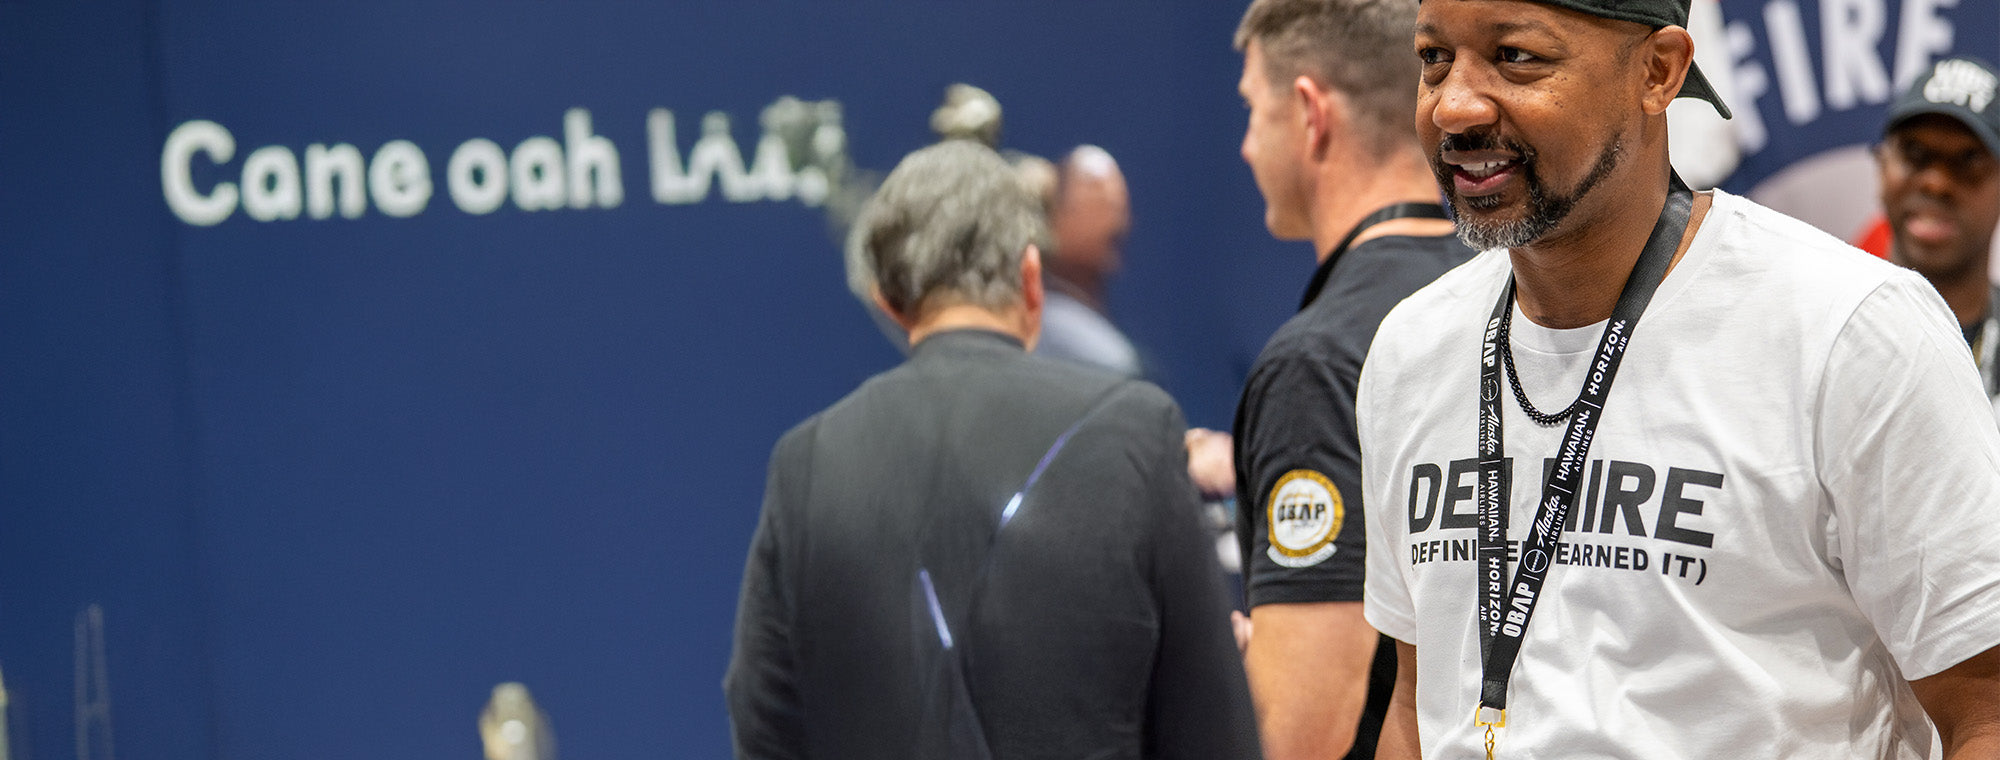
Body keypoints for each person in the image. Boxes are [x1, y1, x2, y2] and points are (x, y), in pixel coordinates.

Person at [1358, 0, 2000, 755]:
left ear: (1658, 72)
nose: (1455, 106)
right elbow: (1414, 699)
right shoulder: (1412, 348)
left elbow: (1983, 711)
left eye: (1516, 57)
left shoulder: (1851, 331)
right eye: (1434, 59)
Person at [723, 140, 1260, 760]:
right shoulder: (1140, 428)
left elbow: (763, 721)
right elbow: (1212, 720)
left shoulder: (806, 462)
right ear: (1032, 279)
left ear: (889, 304)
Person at [1224, 1, 1477, 757]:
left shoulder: (1318, 363)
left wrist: (1229, 682)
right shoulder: (1512, 300)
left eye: (1250, 109)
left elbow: (1302, 729)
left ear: (1308, 112)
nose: (1243, 146)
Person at [1875, 56, 2000, 408]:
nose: (1936, 182)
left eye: (1970, 159)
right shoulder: (1821, 324)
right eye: (1915, 152)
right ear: (1881, 168)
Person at [1035, 145, 1144, 377]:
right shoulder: (1104, 358)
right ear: (1054, 214)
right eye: (1099, 203)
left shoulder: (1107, 344)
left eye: (1119, 207)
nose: (1118, 222)